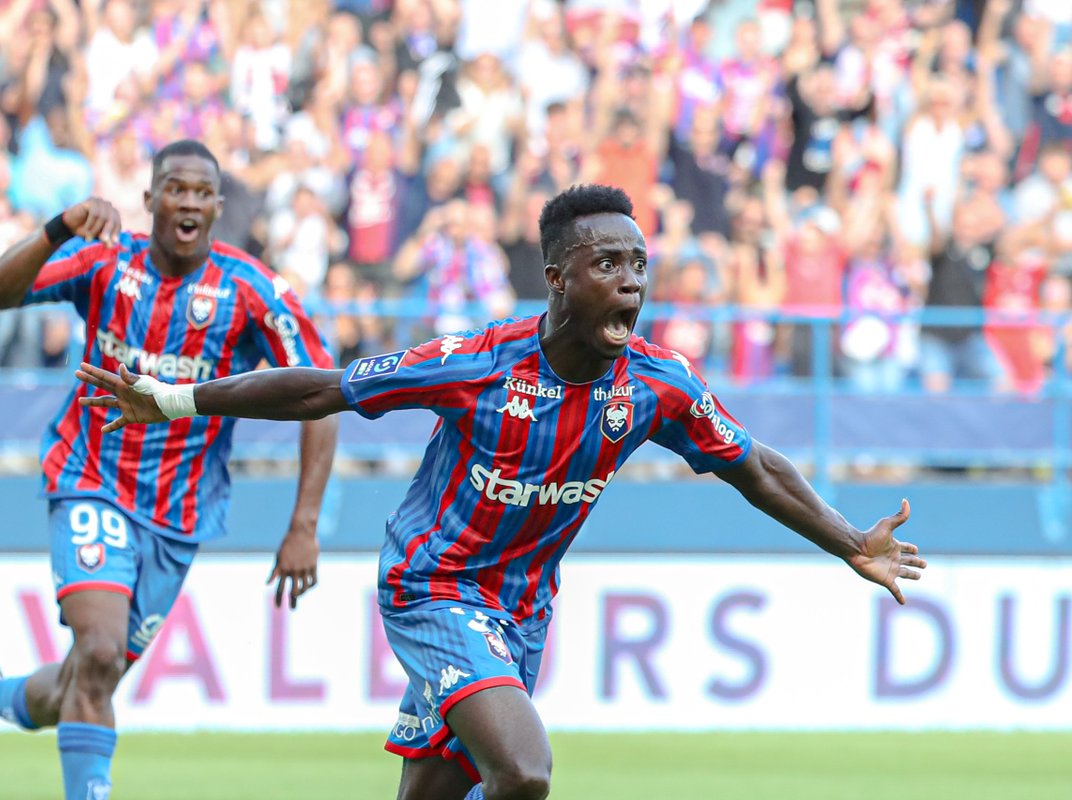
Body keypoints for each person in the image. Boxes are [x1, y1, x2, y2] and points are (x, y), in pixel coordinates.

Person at [74, 184, 925, 800]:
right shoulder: (479, 364)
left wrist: (850, 539)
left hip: (523, 609)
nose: (631, 280)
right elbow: (323, 389)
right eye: (607, 263)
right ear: (558, 277)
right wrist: (175, 396)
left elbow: (756, 466)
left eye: (639, 264)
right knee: (523, 772)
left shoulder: (658, 384)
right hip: (433, 586)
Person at [0, 140, 339, 800]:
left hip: (178, 514)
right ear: (149, 200)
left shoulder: (251, 291)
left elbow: (323, 392)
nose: (190, 202)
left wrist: (305, 524)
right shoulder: (107, 262)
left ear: (218, 207)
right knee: (96, 653)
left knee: (84, 682)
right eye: (176, 188)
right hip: (91, 476)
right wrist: (59, 226)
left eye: (204, 193)